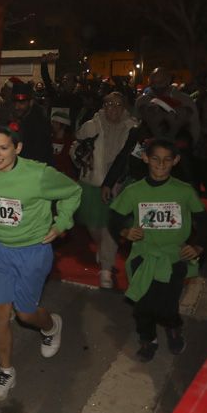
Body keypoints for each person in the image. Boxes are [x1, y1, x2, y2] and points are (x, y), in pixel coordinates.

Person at [0, 123, 81, 400]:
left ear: (17, 148)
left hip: (33, 251)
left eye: (3, 148)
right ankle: (6, 371)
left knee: (25, 314)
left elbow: (73, 191)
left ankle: (51, 325)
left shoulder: (39, 175)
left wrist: (61, 223)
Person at [108, 139, 207, 362]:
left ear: (176, 161)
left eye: (167, 159)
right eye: (155, 158)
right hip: (143, 257)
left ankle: (173, 327)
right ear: (145, 158)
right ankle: (147, 338)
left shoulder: (184, 191)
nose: (160, 164)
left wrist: (198, 245)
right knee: (142, 305)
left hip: (174, 257)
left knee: (166, 305)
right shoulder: (134, 191)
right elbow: (114, 218)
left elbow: (203, 220)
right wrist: (125, 232)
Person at [73, 92, 137, 289]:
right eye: (109, 104)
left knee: (111, 226)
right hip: (93, 181)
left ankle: (106, 269)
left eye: (118, 104)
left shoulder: (133, 127)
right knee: (94, 225)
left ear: (124, 107)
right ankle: (103, 248)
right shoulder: (91, 125)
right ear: (103, 106)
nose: (114, 108)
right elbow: (76, 145)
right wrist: (81, 157)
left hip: (120, 183)